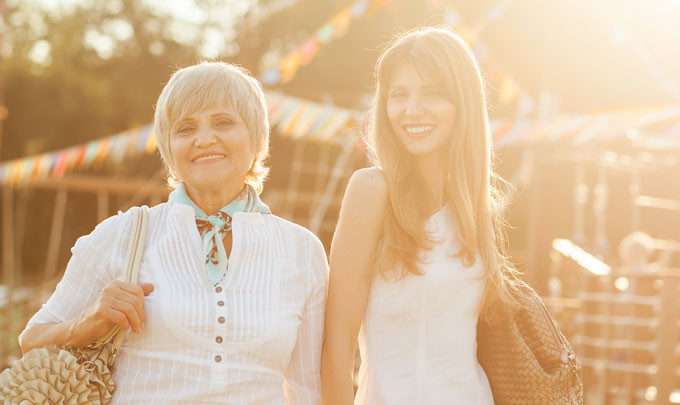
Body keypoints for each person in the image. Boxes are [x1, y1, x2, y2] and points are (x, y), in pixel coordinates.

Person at [19, 61, 328, 404]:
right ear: (169, 147)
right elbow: (31, 341)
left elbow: (309, 388)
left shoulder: (302, 250)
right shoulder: (122, 234)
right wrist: (84, 324)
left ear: (256, 137)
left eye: (223, 122)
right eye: (185, 128)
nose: (204, 138)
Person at [321, 27, 521, 404]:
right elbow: (335, 348)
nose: (412, 110)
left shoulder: (476, 207)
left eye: (432, 93)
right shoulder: (371, 190)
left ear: (463, 103)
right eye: (399, 95)